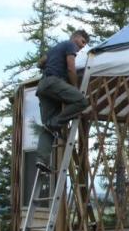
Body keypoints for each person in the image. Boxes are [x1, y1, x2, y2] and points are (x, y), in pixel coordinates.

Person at [35, 29, 91, 173]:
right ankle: (54, 124)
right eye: (83, 42)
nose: (83, 46)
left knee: (48, 127)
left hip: (43, 87)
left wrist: (47, 66)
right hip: (54, 83)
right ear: (75, 37)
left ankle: (42, 160)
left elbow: (40, 62)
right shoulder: (69, 44)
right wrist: (76, 88)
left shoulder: (55, 49)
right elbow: (71, 67)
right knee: (81, 102)